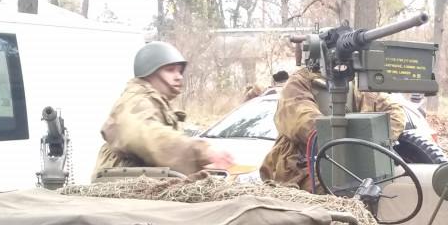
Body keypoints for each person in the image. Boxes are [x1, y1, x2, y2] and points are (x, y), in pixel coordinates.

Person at [92, 41, 234, 179]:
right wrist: (202, 152)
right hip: (123, 193)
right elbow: (147, 135)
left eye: (179, 71)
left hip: (140, 189)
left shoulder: (156, 102)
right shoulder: (136, 100)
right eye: (170, 70)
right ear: (150, 72)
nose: (178, 77)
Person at [260, 64, 406, 189]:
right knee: (333, 192)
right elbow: (305, 124)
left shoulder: (354, 83)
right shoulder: (299, 83)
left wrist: (369, 142)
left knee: (392, 187)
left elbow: (395, 114)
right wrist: (352, 140)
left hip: (353, 164)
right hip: (300, 166)